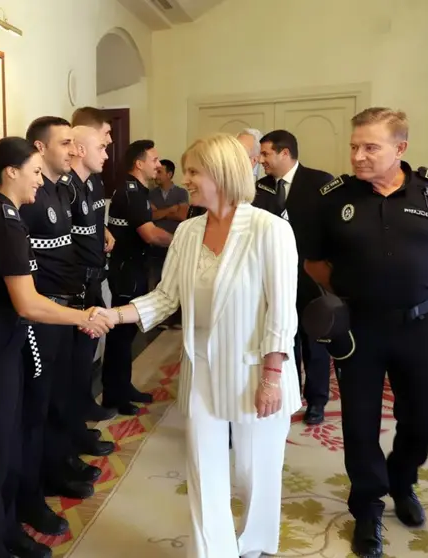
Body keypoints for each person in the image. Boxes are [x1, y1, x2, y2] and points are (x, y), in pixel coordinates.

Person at [101, 132, 302, 558]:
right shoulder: (190, 232)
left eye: (194, 171)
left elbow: (282, 312)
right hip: (202, 367)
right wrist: (114, 315)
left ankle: (255, 544)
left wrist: (272, 376)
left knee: (254, 470)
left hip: (257, 368)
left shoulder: (271, 230)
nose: (183, 179)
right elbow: (166, 297)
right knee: (203, 469)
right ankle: (213, 551)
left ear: (223, 174)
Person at [0, 137, 111, 558]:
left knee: (11, 446)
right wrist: (83, 317)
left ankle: (7, 531)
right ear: (11, 173)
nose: (41, 181)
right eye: (35, 172)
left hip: (8, 344)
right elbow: (28, 302)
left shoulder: (7, 217)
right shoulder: (1, 220)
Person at [301, 108, 428, 558]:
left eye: (370, 147)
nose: (358, 155)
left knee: (423, 419)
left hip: (423, 327)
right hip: (360, 329)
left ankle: (402, 480)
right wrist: (348, 296)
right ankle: (368, 507)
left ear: (400, 149)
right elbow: (314, 262)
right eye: (354, 146)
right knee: (359, 425)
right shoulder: (334, 197)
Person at [254, 129, 334, 426]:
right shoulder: (260, 187)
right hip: (274, 276)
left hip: (310, 276)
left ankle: (317, 400)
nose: (261, 160)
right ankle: (291, 393)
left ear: (284, 153)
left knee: (315, 340)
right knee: (285, 338)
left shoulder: (320, 182)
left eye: (265, 154)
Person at [100, 140, 172, 415]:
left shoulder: (138, 191)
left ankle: (124, 386)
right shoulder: (131, 192)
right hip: (127, 271)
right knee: (121, 334)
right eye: (154, 160)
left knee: (127, 334)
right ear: (139, 163)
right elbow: (150, 234)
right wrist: (183, 242)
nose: (159, 165)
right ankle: (113, 395)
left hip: (134, 267)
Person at [68, 109, 117, 423]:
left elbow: (92, 223)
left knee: (86, 354)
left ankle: (83, 409)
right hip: (74, 284)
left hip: (95, 277)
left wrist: (104, 231)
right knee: (72, 361)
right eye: (103, 142)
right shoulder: (64, 188)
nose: (108, 150)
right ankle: (74, 421)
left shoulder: (94, 183)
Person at [147, 159, 188, 292]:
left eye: (160, 172)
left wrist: (160, 212)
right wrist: (171, 209)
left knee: (174, 285)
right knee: (154, 283)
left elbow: (182, 216)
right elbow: (150, 216)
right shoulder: (150, 193)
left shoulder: (181, 193)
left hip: (175, 243)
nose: (156, 175)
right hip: (155, 245)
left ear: (169, 175)